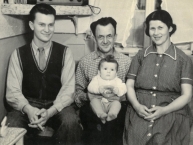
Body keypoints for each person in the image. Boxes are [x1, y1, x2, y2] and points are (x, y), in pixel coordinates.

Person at [6, 3, 82, 145]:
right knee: (12, 123)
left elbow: (69, 90)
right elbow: (12, 92)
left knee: (70, 122)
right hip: (28, 104)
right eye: (42, 24)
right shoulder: (17, 54)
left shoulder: (66, 53)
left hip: (56, 105)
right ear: (31, 25)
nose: (47, 30)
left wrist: (51, 112)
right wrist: (28, 109)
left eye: (50, 25)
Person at [123, 9, 193, 145]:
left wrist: (164, 110)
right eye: (152, 28)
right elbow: (129, 85)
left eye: (160, 28)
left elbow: (187, 95)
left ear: (170, 28)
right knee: (135, 137)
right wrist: (137, 106)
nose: (156, 33)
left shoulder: (183, 59)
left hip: (170, 111)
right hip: (140, 110)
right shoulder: (140, 56)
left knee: (163, 139)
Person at [75, 17, 131, 145]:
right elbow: (77, 94)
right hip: (92, 107)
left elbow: (131, 92)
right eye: (100, 37)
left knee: (116, 124)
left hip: (117, 108)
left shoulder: (126, 62)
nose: (105, 41)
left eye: (109, 36)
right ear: (94, 38)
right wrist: (91, 96)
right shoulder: (85, 62)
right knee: (93, 126)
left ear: (115, 37)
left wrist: (116, 96)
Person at [88, 55, 127, 124]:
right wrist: (98, 89)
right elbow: (90, 87)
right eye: (105, 69)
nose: (108, 71)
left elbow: (124, 88)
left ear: (116, 73)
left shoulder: (117, 80)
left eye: (112, 70)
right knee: (93, 102)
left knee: (117, 104)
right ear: (99, 71)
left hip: (112, 102)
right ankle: (101, 114)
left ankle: (112, 114)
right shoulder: (96, 79)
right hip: (99, 101)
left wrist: (118, 90)